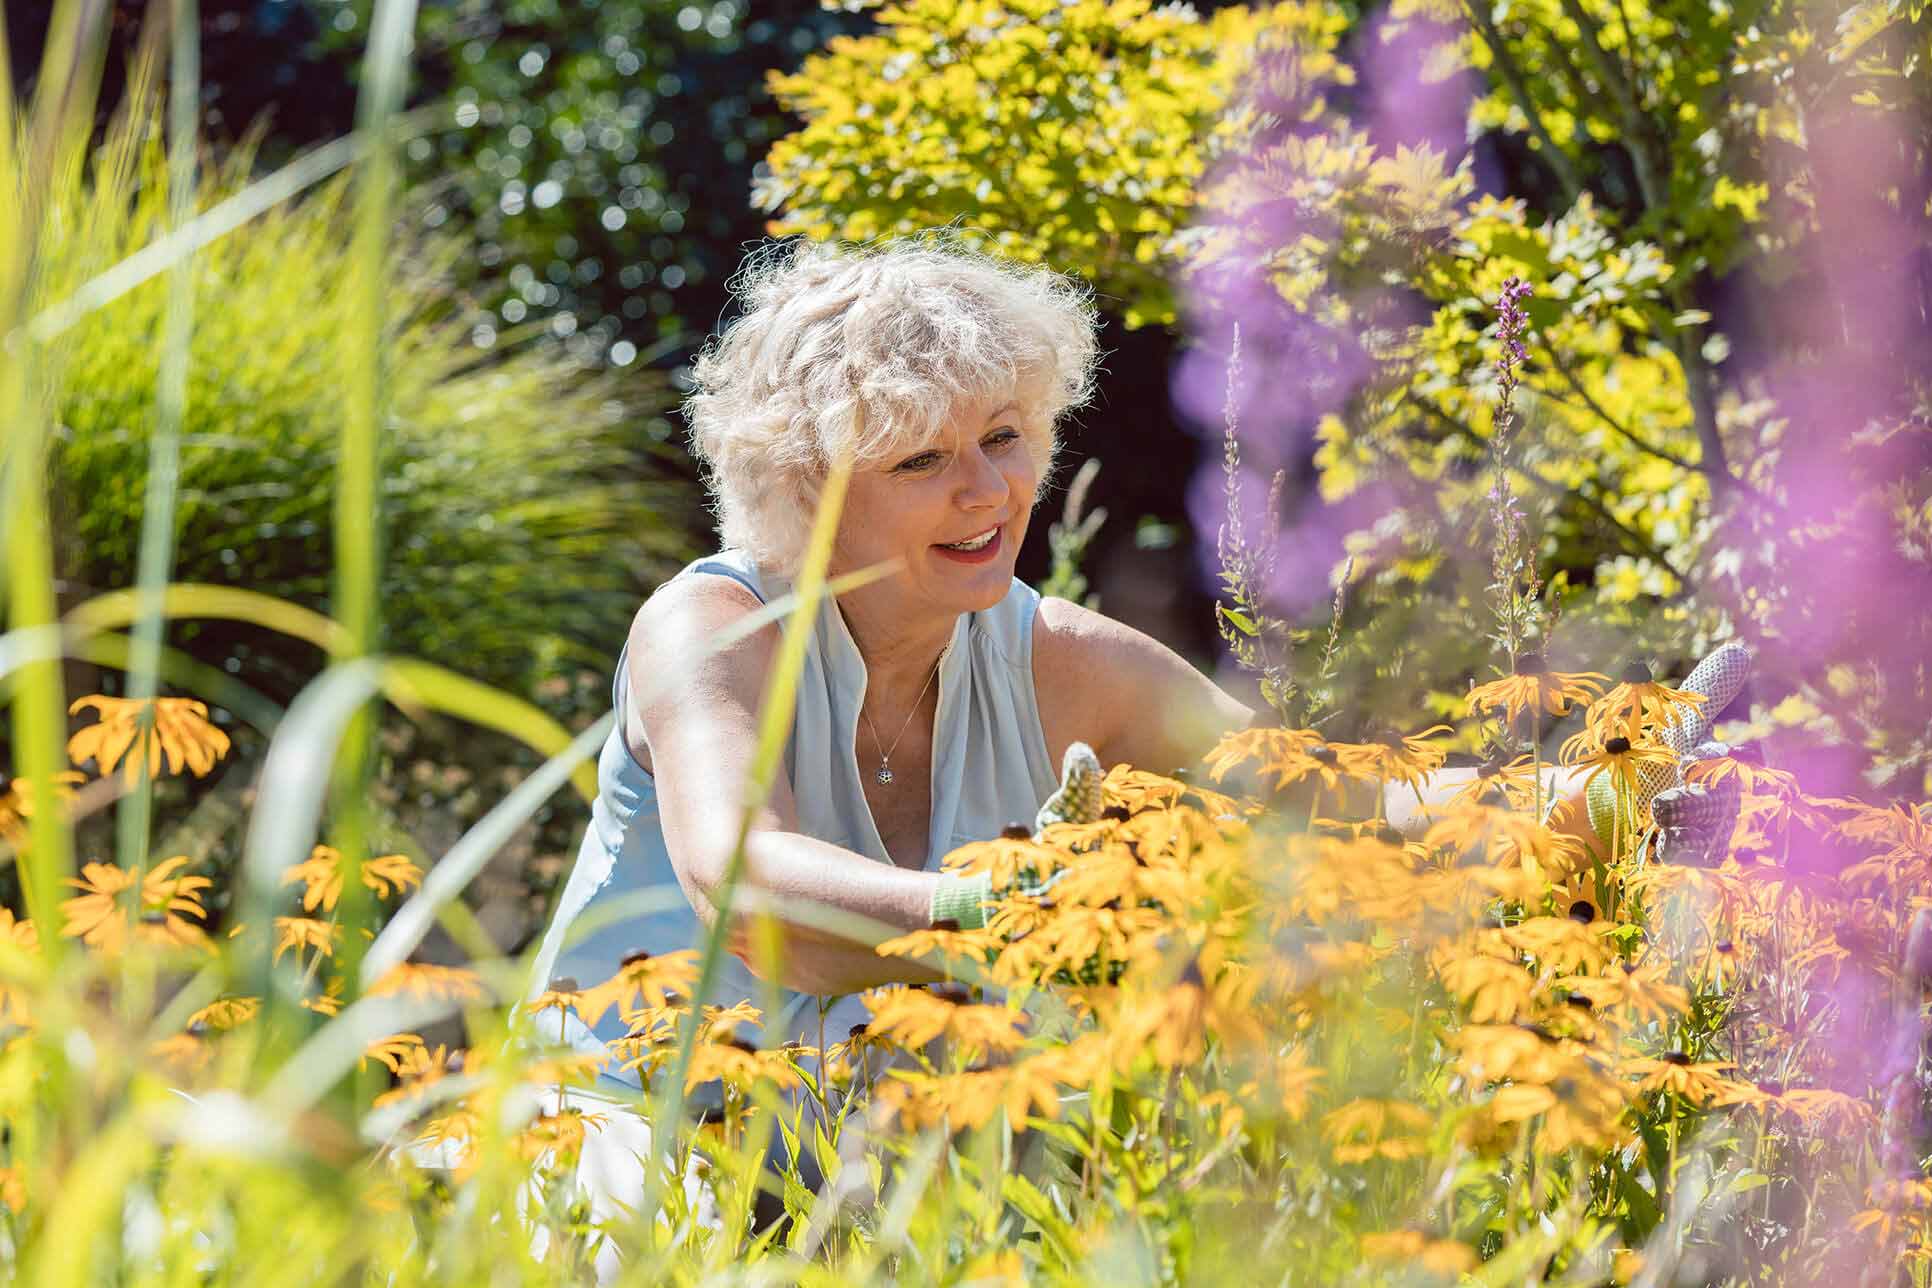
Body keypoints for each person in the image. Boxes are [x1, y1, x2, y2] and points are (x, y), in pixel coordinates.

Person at [518, 231, 1736, 1265]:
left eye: (1004, 435)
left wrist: (1624, 788)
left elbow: (1347, 806)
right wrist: (1015, 912)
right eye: (921, 458)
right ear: (809, 486)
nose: (987, 490)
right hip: (624, 1132)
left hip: (894, 1150)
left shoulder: (1064, 658)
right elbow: (748, 892)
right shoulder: (715, 632)